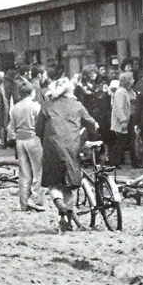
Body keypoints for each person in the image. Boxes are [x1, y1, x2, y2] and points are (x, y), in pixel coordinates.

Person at [37, 78, 98, 232]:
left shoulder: (46, 105)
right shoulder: (77, 106)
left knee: (53, 184)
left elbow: (38, 129)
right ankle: (68, 220)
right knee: (69, 187)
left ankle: (60, 207)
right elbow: (92, 124)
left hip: (52, 147)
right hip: (72, 148)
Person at [10, 83, 45, 212]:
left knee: (24, 173)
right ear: (32, 93)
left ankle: (23, 203)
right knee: (38, 171)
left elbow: (11, 127)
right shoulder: (36, 106)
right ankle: (36, 200)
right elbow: (40, 125)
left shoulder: (15, 107)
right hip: (33, 137)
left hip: (20, 138)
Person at [110, 72, 135, 166]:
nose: (133, 80)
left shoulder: (124, 91)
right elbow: (118, 107)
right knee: (120, 141)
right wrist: (123, 120)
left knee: (122, 141)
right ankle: (114, 161)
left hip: (125, 119)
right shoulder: (120, 92)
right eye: (131, 79)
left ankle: (115, 161)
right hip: (122, 121)